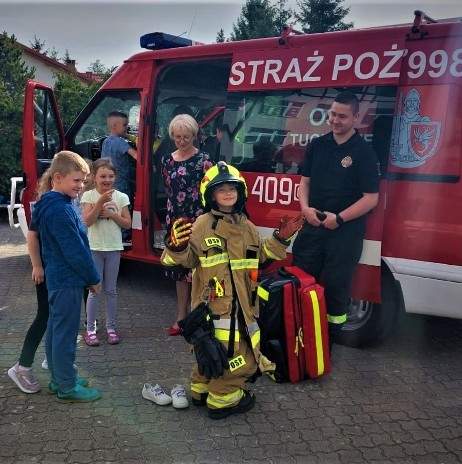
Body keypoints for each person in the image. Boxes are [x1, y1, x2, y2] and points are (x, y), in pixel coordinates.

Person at [161, 162, 304, 419]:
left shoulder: (246, 225)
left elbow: (260, 256)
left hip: (243, 307)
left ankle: (201, 390)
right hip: (217, 311)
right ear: (210, 195)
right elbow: (180, 261)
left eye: (232, 188)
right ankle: (223, 400)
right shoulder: (202, 225)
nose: (227, 193)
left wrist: (281, 238)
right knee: (236, 359)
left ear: (241, 192)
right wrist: (175, 247)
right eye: (221, 189)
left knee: (211, 354)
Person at [291, 91, 380, 349]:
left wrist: (339, 219)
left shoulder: (364, 153)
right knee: (300, 279)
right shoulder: (317, 146)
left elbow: (371, 198)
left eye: (342, 116)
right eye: (332, 114)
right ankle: (298, 334)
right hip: (312, 226)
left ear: (356, 117)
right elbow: (304, 182)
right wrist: (305, 209)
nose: (335, 120)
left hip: (344, 233)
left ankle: (327, 342)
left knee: (336, 288)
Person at [31, 150, 102, 403]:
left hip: (58, 279)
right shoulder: (60, 210)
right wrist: (93, 277)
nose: (81, 186)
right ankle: (67, 386)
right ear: (58, 177)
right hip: (68, 280)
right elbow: (75, 250)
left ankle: (59, 377)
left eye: (83, 181)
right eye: (76, 181)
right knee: (65, 334)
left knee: (55, 329)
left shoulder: (50, 203)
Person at [161, 113, 214, 336]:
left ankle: (199, 316)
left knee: (201, 269)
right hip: (176, 219)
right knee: (180, 271)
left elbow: (211, 191)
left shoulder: (204, 160)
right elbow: (168, 190)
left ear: (194, 136)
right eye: (178, 137)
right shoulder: (166, 160)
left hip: (199, 219)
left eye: (186, 137)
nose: (182, 141)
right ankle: (181, 316)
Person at [81, 158, 131, 346]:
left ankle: (111, 328)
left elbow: (127, 223)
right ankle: (91, 329)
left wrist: (112, 214)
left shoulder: (121, 197)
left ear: (115, 177)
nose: (107, 180)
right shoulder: (88, 196)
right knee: (95, 290)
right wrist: (101, 202)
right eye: (102, 176)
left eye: (110, 176)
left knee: (111, 290)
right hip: (94, 248)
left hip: (113, 248)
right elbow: (88, 221)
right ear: (94, 177)